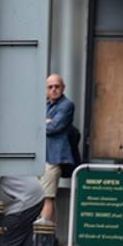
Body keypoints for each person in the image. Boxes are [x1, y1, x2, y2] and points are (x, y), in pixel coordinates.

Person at [43, 75, 76, 222]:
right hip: (41, 157)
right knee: (44, 197)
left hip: (53, 158)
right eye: (50, 87)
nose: (54, 90)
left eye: (57, 86)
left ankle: (41, 238)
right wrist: (46, 122)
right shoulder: (45, 105)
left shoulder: (66, 105)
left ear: (63, 88)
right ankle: (50, 237)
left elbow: (54, 127)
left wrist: (42, 124)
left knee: (47, 197)